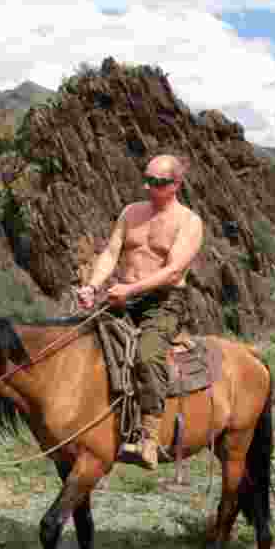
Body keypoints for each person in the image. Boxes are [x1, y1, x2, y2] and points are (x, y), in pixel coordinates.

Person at [77, 154, 205, 470]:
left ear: (176, 184)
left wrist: (130, 290)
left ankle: (150, 436)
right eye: (147, 180)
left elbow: (174, 272)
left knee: (148, 354)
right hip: (125, 296)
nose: (150, 187)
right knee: (80, 340)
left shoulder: (188, 222)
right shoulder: (131, 212)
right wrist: (93, 285)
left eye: (159, 183)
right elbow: (110, 252)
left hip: (164, 301)